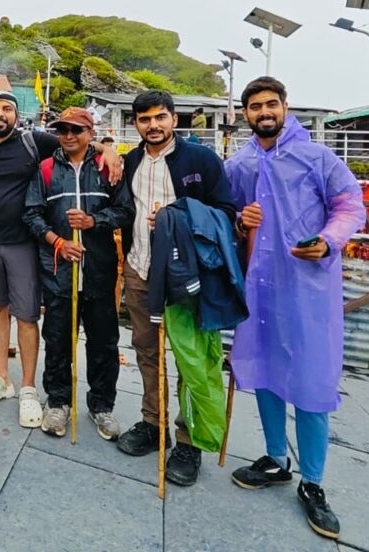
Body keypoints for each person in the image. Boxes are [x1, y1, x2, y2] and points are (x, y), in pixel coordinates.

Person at [225, 77, 364, 540]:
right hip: (259, 286)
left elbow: (350, 206)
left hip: (308, 289)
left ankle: (314, 481)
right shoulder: (240, 163)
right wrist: (239, 221)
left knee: (310, 379)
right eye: (255, 106)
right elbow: (224, 210)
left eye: (271, 104)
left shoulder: (318, 157)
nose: (264, 112)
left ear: (285, 106)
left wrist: (328, 240)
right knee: (264, 369)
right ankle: (275, 458)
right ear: (245, 113)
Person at [0, 91, 122, 428]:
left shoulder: (33, 142)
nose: (0, 114)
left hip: (26, 244)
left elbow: (78, 143)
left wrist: (108, 150)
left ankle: (29, 387)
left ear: (16, 114)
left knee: (28, 315)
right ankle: (2, 378)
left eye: (7, 108)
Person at [116, 90, 236, 488]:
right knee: (147, 352)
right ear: (136, 123)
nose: (153, 125)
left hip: (186, 276)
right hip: (140, 269)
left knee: (191, 358)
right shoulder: (131, 160)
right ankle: (154, 423)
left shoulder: (201, 160)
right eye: (145, 119)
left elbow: (225, 213)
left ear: (173, 119)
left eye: (160, 117)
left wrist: (176, 219)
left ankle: (189, 440)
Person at [23, 106, 134, 439]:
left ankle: (101, 405)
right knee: (58, 340)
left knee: (103, 342)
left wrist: (93, 221)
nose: (69, 136)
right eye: (63, 130)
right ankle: (58, 402)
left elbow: (125, 210)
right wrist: (58, 242)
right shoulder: (45, 168)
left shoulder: (107, 167)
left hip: (99, 270)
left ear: (90, 133)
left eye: (76, 130)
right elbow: (32, 214)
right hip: (59, 272)